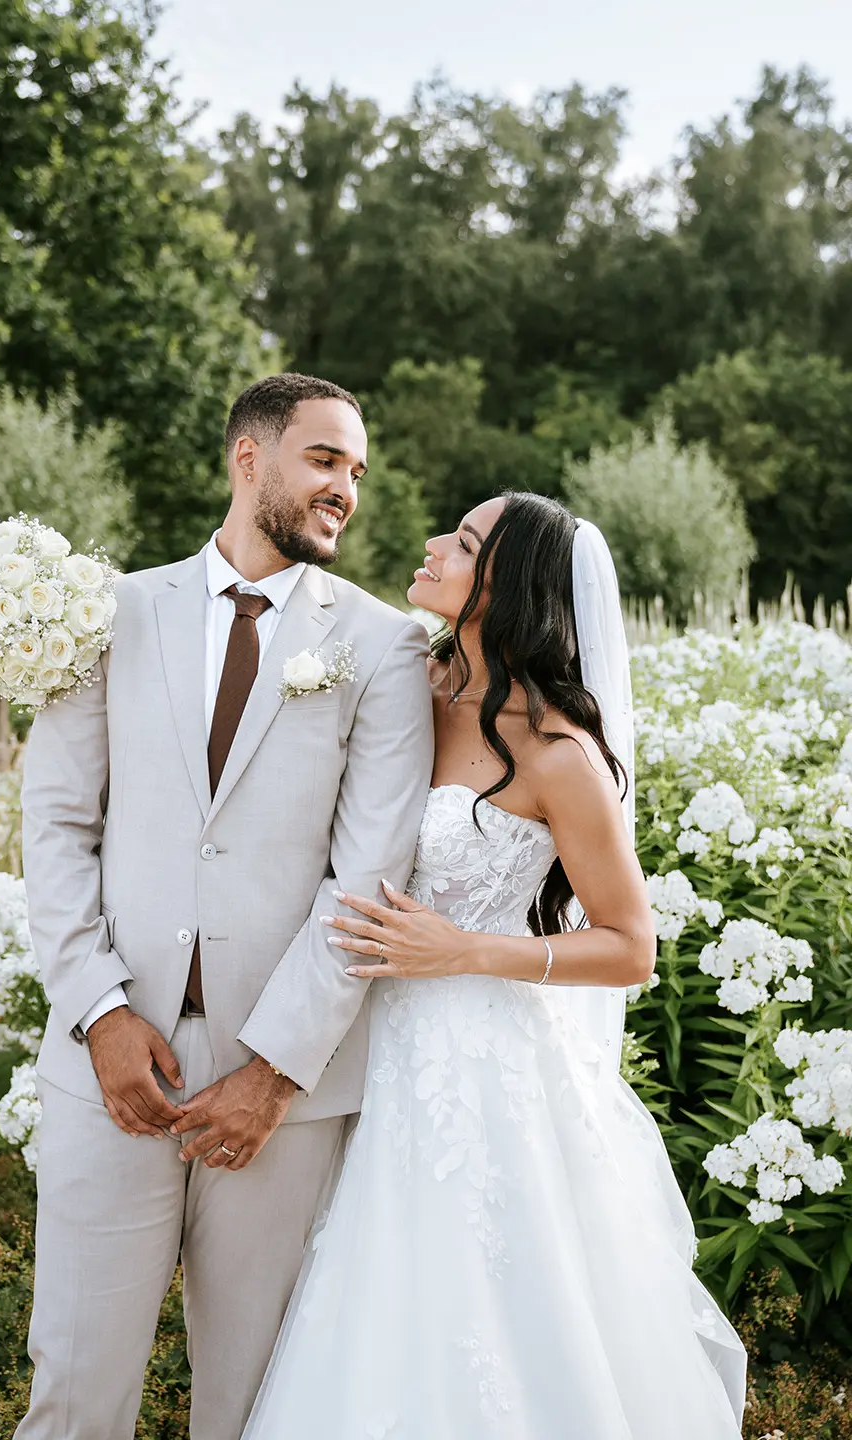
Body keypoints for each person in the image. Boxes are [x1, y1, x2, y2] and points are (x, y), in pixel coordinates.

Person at [242, 492, 747, 1440]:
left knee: (481, 1306)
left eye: (464, 542)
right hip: (360, 1041)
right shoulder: (405, 683)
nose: (435, 543)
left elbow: (630, 945)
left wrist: (466, 948)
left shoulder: (559, 751)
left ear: (505, 587)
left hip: (482, 1069)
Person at [14, 373, 434, 1440]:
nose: (347, 489)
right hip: (106, 1066)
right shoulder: (107, 613)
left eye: (358, 472)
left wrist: (276, 1070)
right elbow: (57, 829)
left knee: (256, 1407)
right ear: (249, 457)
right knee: (72, 1392)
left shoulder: (384, 648)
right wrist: (99, 1014)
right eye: (326, 460)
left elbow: (367, 881)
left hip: (284, 1100)